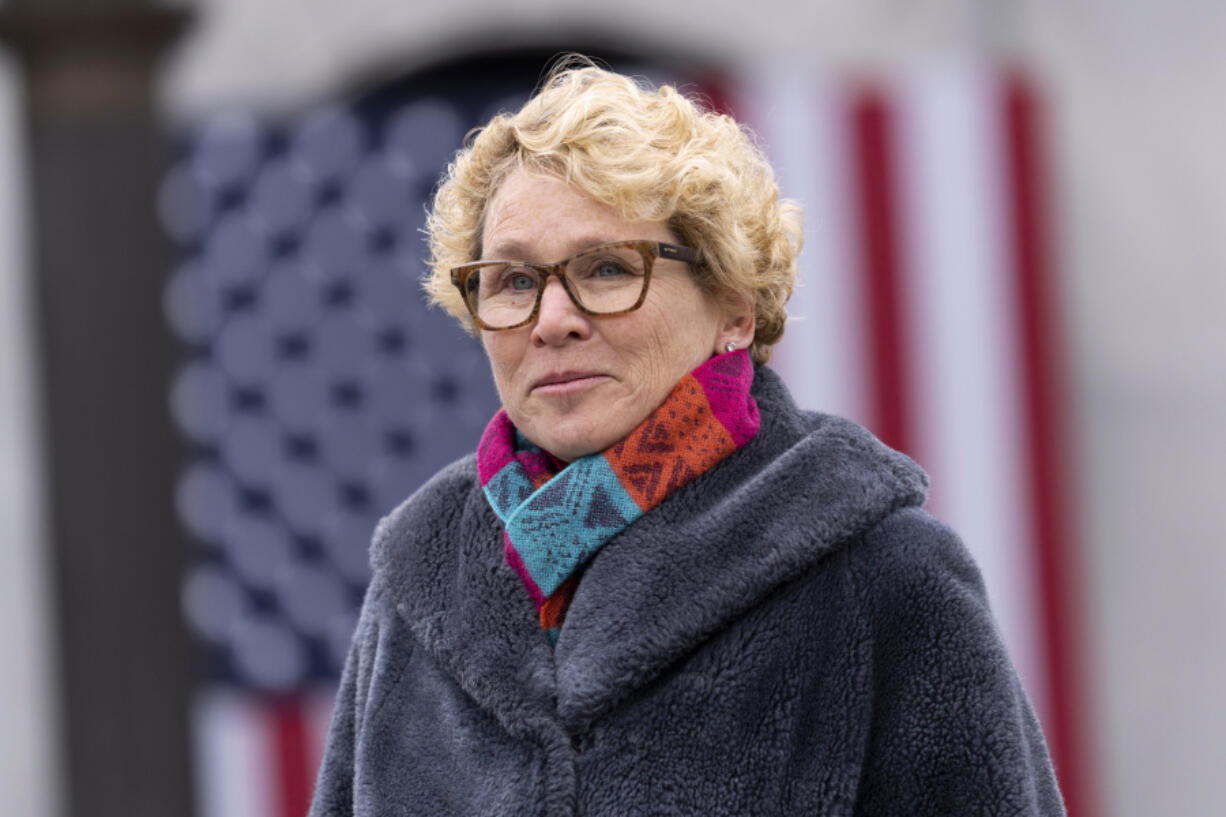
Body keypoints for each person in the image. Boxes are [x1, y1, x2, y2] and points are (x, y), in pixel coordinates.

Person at [308, 59, 1065, 817]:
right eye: (512, 281)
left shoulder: (880, 571)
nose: (552, 319)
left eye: (606, 268)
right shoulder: (418, 578)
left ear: (734, 307)